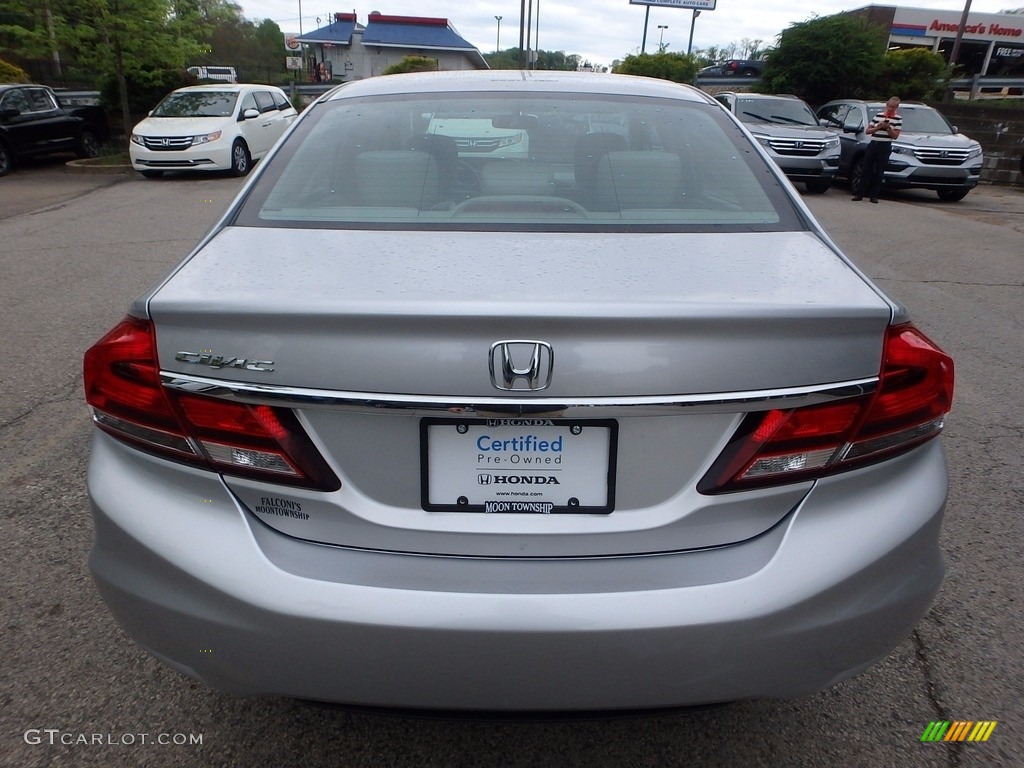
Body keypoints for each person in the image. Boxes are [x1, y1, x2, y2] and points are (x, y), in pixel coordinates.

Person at [853, 96, 902, 204]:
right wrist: (878, 127)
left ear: (896, 107)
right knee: (866, 169)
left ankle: (874, 195)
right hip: (873, 144)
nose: (890, 109)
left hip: (885, 145)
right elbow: (868, 131)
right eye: (889, 106)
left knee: (879, 171)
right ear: (886, 105)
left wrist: (888, 128)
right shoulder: (878, 116)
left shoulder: (898, 119)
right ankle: (859, 194)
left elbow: (895, 136)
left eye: (893, 107)